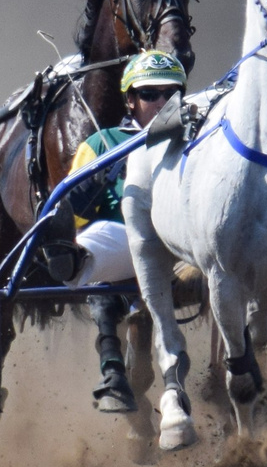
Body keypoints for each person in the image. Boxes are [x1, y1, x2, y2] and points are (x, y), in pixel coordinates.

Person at [69, 51, 185, 412]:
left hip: (181, 242)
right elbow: (73, 216)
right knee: (97, 251)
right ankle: (112, 369)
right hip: (118, 242)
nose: (162, 102)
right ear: (131, 101)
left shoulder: (195, 141)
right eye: (150, 94)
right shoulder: (101, 144)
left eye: (171, 94)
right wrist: (90, 188)